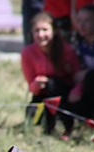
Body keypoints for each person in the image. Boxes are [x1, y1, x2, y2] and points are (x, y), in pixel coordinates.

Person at [21, 12, 81, 140]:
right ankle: (47, 129)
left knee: (53, 86)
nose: (41, 34)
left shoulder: (66, 50)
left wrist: (76, 91)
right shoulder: (27, 53)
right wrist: (36, 84)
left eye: (45, 30)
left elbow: (77, 77)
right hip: (41, 94)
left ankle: (68, 128)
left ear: (54, 31)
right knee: (31, 115)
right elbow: (30, 86)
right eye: (36, 31)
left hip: (65, 95)